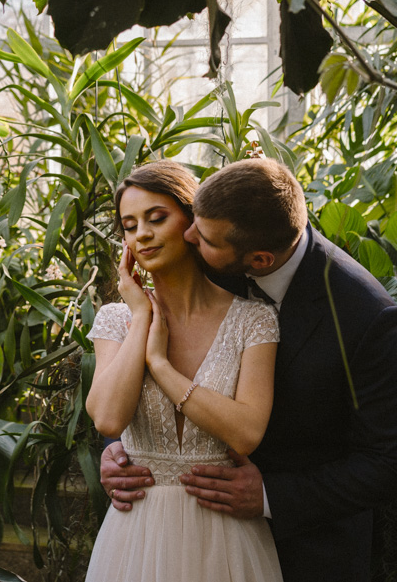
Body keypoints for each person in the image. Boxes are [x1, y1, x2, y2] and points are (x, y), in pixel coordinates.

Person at [100, 157, 397, 582]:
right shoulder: (219, 231)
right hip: (169, 537)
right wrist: (117, 447)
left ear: (258, 259)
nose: (189, 235)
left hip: (309, 547)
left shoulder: (365, 315)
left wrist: (271, 496)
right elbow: (128, 374)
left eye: (204, 236)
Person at [83, 161, 282, 582]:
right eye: (129, 225)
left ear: (192, 223)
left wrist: (160, 365)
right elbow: (108, 417)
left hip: (226, 537)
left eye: (157, 218)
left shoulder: (254, 319)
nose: (142, 235)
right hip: (135, 537)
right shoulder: (117, 320)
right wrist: (140, 316)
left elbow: (246, 432)